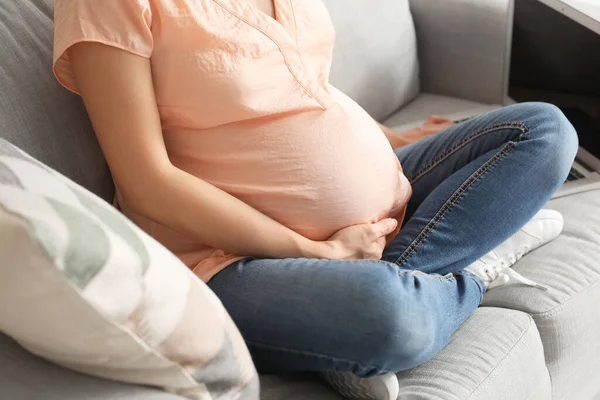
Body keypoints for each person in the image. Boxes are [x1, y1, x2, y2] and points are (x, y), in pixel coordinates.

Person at [53, 0, 578, 398]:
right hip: (228, 258)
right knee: (393, 320)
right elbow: (146, 178)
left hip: (377, 212)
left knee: (542, 131)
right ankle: (470, 269)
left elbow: (307, 88)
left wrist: (390, 139)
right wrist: (314, 254)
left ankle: (368, 302)